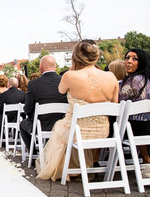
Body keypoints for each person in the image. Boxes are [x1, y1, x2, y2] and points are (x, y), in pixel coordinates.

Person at [36, 40, 119, 181]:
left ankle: (69, 169)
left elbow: (61, 90)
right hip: (103, 131)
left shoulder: (70, 76)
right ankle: (83, 167)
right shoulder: (111, 76)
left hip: (77, 132)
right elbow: (115, 104)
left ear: (76, 57)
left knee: (60, 127)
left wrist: (73, 68)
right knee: (65, 126)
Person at [119, 48, 150, 164]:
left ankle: (118, 161)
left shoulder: (133, 81)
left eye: (134, 59)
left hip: (136, 129)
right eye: (127, 58)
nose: (129, 61)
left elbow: (119, 102)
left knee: (113, 124)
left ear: (142, 62)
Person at [19, 55, 68, 152]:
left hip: (40, 126)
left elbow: (28, 109)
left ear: (40, 67)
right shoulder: (64, 81)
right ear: (55, 66)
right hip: (62, 124)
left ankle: (33, 155)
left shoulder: (33, 84)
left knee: (22, 124)